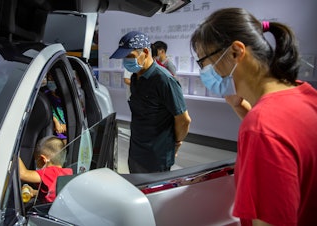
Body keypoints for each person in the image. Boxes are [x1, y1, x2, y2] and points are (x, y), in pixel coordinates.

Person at [190, 8, 317, 226]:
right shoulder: (306, 95)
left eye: (204, 61)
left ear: (236, 52)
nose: (204, 71)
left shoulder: (261, 127)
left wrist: (254, 122)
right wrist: (243, 111)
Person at [110, 31, 191, 173]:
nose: (126, 61)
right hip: (136, 150)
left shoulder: (164, 80)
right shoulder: (136, 78)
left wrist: (176, 143)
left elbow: (183, 120)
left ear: (146, 52)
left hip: (156, 155)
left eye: (130, 56)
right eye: (124, 57)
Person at [19, 136, 73, 203]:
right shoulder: (68, 173)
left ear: (43, 159)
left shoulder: (51, 172)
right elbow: (51, 194)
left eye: (36, 161)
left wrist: (13, 152)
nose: (37, 165)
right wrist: (33, 192)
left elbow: (23, 174)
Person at [43, 73, 67, 144]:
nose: (50, 81)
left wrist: (65, 127)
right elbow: (48, 111)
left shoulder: (67, 97)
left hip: (64, 131)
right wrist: (56, 122)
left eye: (53, 79)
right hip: (53, 130)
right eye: (49, 79)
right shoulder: (46, 95)